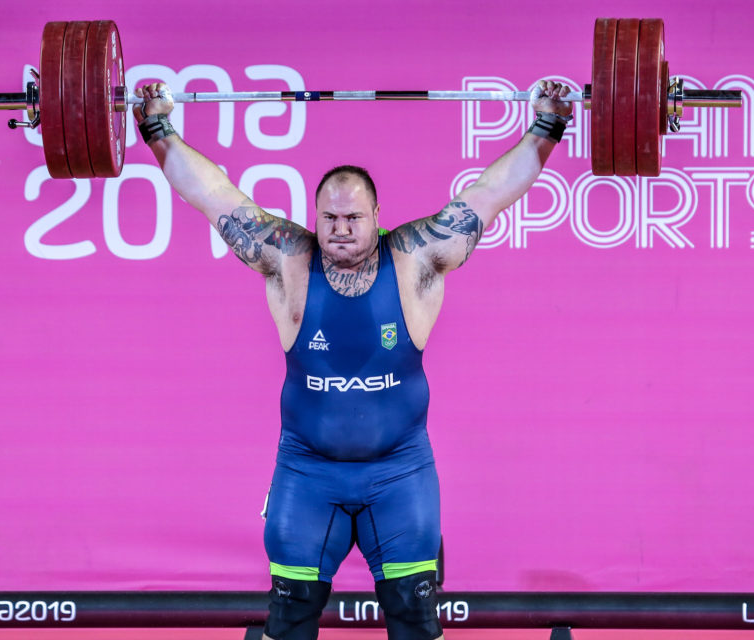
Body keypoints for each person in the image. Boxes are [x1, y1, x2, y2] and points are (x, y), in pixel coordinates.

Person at [133, 79, 572, 640]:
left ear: (376, 215)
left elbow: (490, 193)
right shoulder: (288, 260)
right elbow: (214, 194)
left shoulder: (417, 258)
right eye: (331, 219)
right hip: (308, 470)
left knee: (415, 619)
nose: (341, 230)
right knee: (289, 619)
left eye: (353, 219)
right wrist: (156, 127)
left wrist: (547, 125)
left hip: (400, 471)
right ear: (317, 215)